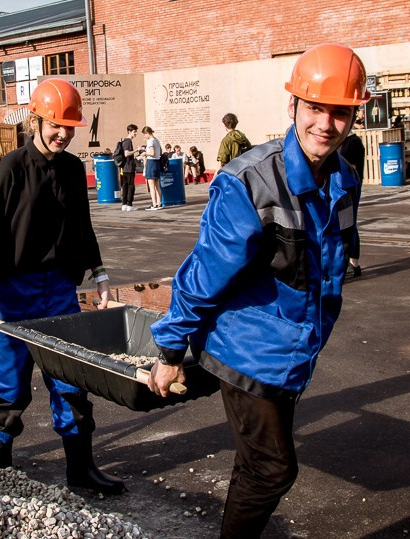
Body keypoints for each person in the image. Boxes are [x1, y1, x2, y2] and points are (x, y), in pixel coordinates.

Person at [147, 44, 369, 538]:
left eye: (340, 112)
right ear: (293, 107)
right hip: (248, 347)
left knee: (255, 466)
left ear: (354, 115)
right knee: (273, 469)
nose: (326, 124)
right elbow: (205, 272)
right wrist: (169, 348)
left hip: (294, 347)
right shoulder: (250, 181)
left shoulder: (345, 178)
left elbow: (332, 261)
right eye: (315, 109)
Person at [0, 78, 124, 495]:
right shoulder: (11, 168)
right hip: (10, 293)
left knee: (71, 380)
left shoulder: (74, 169)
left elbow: (81, 226)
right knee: (8, 385)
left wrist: (100, 272)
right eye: (55, 125)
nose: (62, 134)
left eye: (69, 127)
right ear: (35, 120)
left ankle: (80, 471)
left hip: (57, 291)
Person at [337, 111, 366, 277]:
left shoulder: (353, 142)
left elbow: (352, 167)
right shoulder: (340, 142)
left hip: (349, 188)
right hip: (339, 188)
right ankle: (347, 262)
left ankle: (353, 263)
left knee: (350, 224)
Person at [140, 125, 162, 210]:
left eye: (144, 134)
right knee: (157, 185)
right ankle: (159, 203)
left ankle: (154, 204)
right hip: (157, 162)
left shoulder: (150, 141)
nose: (144, 136)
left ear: (147, 133)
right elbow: (160, 151)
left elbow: (152, 153)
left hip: (151, 162)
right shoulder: (156, 140)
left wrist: (145, 153)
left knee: (151, 185)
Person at [118, 124, 139, 212]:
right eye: (134, 131)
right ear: (129, 131)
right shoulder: (128, 141)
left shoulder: (123, 141)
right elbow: (126, 154)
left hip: (124, 167)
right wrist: (136, 150)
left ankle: (124, 204)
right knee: (130, 186)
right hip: (129, 167)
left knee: (125, 186)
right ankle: (129, 204)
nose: (136, 133)